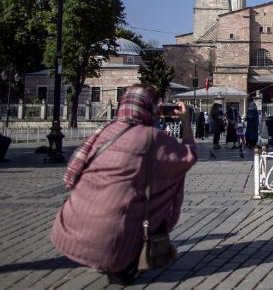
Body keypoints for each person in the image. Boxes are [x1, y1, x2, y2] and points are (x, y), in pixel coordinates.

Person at [51, 84, 197, 285]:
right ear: (150, 107)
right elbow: (188, 157)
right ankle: (123, 255)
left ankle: (103, 254)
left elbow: (71, 174)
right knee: (152, 190)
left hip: (70, 229)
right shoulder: (153, 137)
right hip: (114, 230)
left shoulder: (106, 129)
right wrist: (186, 123)